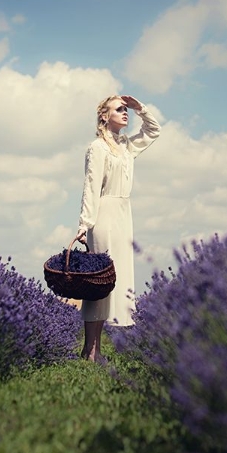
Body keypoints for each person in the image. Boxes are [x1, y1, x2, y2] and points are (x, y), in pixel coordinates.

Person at [75, 94, 161, 363]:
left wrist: (140, 108)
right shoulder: (97, 148)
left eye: (127, 110)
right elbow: (91, 187)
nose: (126, 113)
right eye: (120, 109)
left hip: (124, 216)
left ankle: (95, 351)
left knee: (113, 283)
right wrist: (85, 223)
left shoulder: (126, 146)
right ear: (104, 116)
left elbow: (154, 130)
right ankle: (91, 351)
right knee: (99, 284)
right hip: (104, 215)